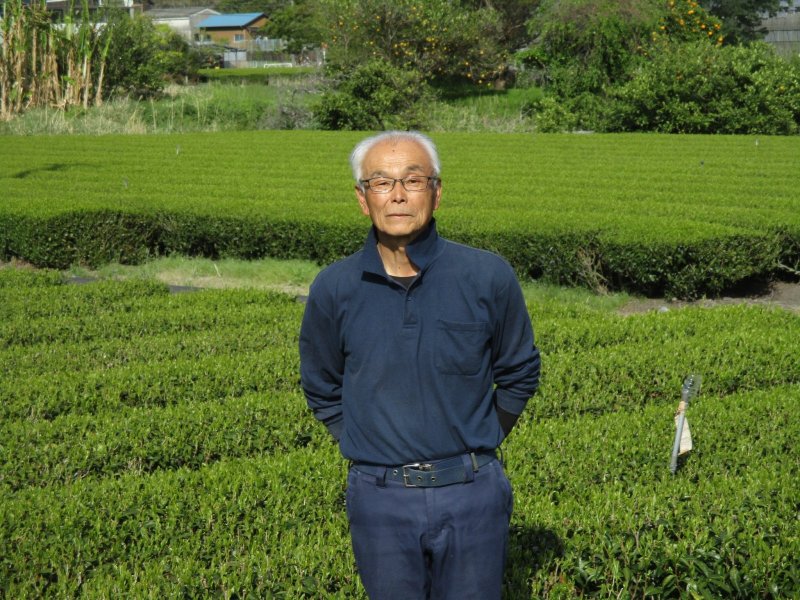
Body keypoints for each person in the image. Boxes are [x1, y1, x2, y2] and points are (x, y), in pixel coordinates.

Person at [299, 131, 541, 600]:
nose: (398, 194)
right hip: (379, 498)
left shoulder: (487, 276)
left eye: (413, 180)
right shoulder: (334, 288)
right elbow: (321, 386)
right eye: (381, 182)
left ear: (437, 191)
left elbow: (519, 371)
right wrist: (366, 445)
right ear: (361, 198)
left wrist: (481, 440)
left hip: (472, 493)